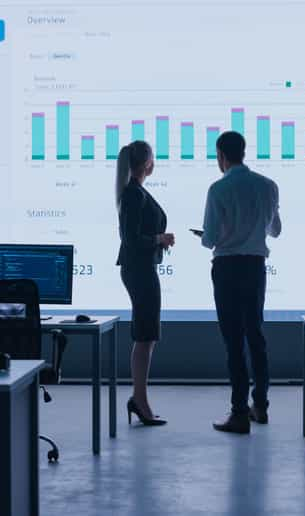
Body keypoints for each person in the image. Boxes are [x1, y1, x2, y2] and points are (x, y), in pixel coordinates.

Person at [200, 131, 281, 434]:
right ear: (244, 152)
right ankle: (260, 405)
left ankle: (238, 412)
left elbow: (209, 239)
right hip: (255, 267)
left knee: (234, 342)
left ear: (221, 155)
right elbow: (275, 230)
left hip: (227, 267)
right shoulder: (268, 186)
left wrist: (220, 234)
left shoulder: (218, 189)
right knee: (256, 336)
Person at [116, 141, 175, 426]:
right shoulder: (132, 194)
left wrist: (157, 240)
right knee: (145, 334)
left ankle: (139, 398)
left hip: (141, 267)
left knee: (146, 333)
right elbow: (130, 239)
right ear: (148, 163)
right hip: (139, 269)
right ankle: (140, 400)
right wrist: (159, 239)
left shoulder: (134, 191)